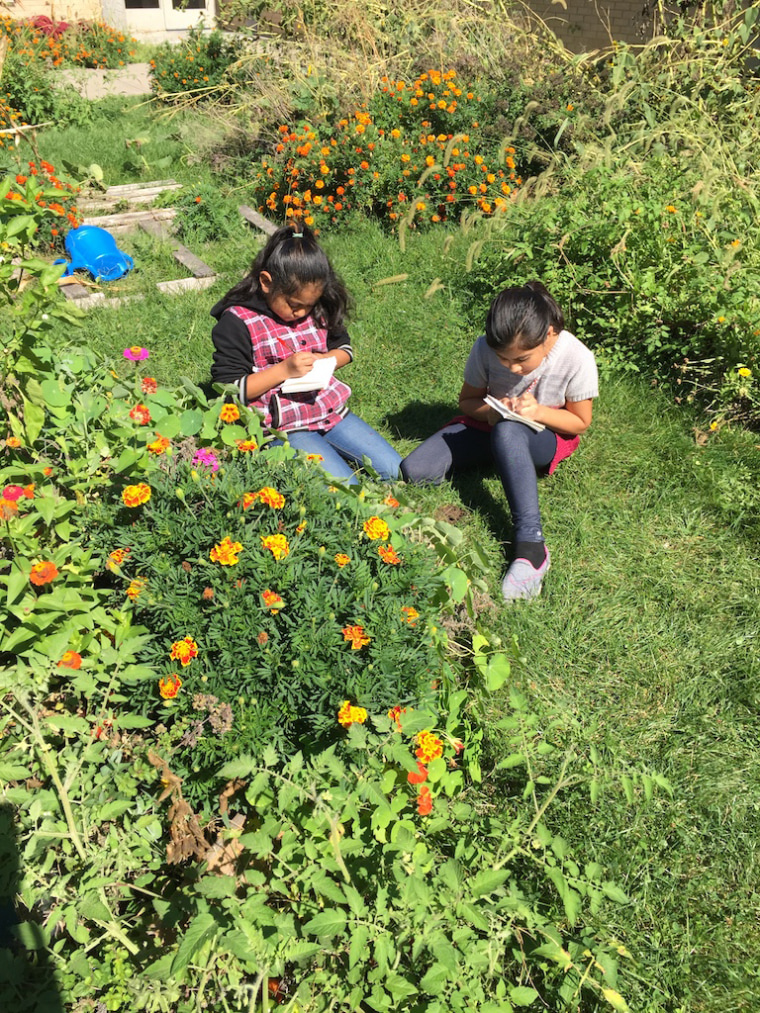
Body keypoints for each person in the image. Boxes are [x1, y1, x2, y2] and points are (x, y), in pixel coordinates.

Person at [401, 281, 598, 601]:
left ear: (549, 334)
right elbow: (468, 402)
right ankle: (506, 457)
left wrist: (538, 412)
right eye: (503, 359)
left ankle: (531, 546)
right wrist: (490, 414)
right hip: (491, 426)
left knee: (509, 433)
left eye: (522, 359)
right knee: (416, 469)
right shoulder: (484, 348)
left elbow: (579, 422)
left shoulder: (576, 357)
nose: (512, 367)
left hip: (542, 435)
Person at [210, 224, 401, 484]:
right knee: (346, 489)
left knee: (395, 470)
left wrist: (327, 360)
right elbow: (228, 388)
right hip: (283, 428)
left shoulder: (317, 306)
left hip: (328, 411)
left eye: (308, 306)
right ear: (266, 282)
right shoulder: (237, 322)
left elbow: (345, 349)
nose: (301, 313)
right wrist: (284, 370)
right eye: (294, 305)